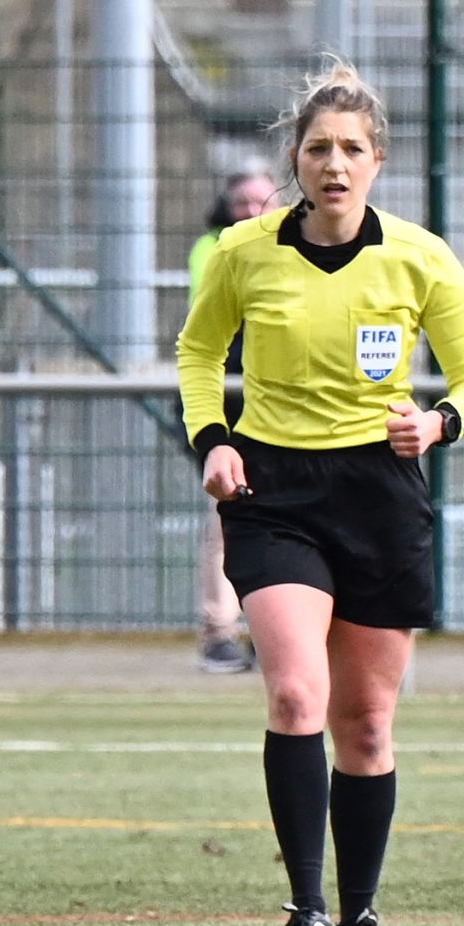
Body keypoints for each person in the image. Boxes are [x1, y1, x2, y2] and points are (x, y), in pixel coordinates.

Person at [177, 59, 464, 926]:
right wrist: (213, 440)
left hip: (379, 497)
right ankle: (307, 915)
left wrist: (438, 423)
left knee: (365, 724)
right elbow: (198, 352)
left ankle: (361, 921)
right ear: (296, 159)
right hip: (274, 493)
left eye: (352, 149)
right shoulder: (244, 251)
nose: (334, 163)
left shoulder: (421, 257)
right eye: (318, 148)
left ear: (377, 161)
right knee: (295, 695)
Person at [187, 170, 280, 674]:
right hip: (231, 403)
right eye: (242, 202)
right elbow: (218, 322)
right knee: (228, 516)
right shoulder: (217, 250)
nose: (251, 211)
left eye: (260, 201)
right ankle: (221, 631)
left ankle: (275, 627)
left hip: (282, 401)